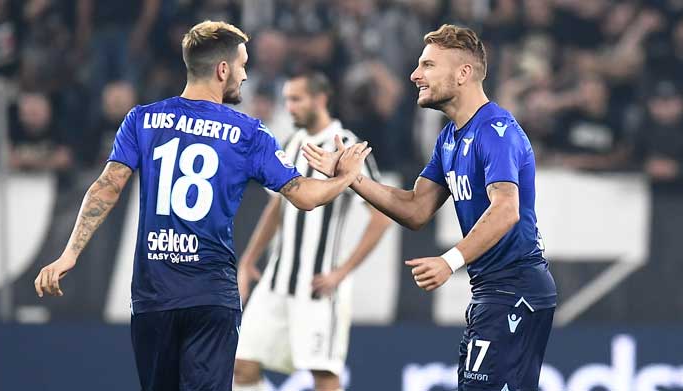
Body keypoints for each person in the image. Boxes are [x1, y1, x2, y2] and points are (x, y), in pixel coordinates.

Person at [33, 20, 371, 391]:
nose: (244, 75)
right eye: (242, 65)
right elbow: (304, 197)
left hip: (153, 296)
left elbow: (106, 188)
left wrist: (69, 254)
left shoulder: (142, 119)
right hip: (212, 297)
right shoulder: (249, 132)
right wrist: (344, 178)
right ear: (222, 69)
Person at [303, 24, 557, 390]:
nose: (414, 75)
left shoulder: (496, 130)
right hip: (492, 291)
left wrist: (449, 261)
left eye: (428, 65)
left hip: (516, 290)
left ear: (463, 73)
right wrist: (352, 179)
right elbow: (416, 209)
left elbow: (506, 209)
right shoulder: (450, 138)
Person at [233, 72, 391, 391]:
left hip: (318, 284)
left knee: (323, 375)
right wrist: (249, 259)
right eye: (287, 99)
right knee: (241, 364)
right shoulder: (292, 142)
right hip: (278, 279)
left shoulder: (348, 146)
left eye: (296, 99)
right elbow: (276, 207)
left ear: (320, 99)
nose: (289, 107)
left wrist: (341, 272)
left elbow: (381, 217)